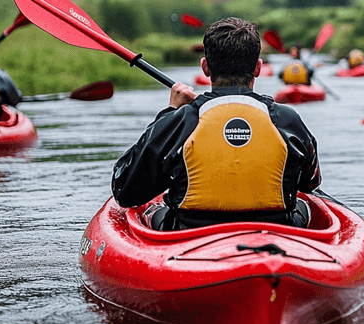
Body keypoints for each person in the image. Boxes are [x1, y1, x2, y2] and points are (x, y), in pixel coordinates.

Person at [111, 17, 321, 231]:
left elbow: (125, 189)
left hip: (189, 233)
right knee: (304, 204)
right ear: (258, 68)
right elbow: (310, 182)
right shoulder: (288, 119)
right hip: (277, 229)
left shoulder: (180, 120)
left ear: (205, 67)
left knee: (153, 208)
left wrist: (170, 111)